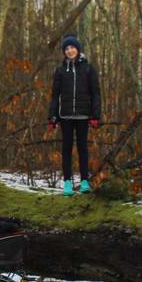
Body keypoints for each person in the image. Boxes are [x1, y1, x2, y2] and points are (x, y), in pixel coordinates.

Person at [48, 35, 101, 195]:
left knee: (83, 148)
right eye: (67, 49)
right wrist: (52, 116)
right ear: (64, 52)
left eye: (72, 48)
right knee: (67, 148)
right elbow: (55, 95)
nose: (70, 51)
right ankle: (67, 183)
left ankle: (85, 181)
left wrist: (95, 115)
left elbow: (96, 93)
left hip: (84, 115)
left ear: (78, 49)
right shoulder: (60, 71)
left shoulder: (88, 69)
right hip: (65, 116)